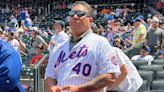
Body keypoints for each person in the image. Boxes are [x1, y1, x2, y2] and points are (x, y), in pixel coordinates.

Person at [45, 1, 120, 92]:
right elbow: (49, 76)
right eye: (72, 14)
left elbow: (110, 76)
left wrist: (80, 89)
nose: (75, 17)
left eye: (80, 14)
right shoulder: (59, 47)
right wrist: (52, 88)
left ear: (90, 20)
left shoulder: (100, 43)